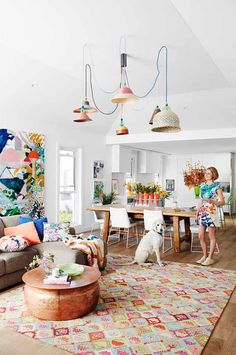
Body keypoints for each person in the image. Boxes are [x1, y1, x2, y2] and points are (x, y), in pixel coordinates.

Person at [196, 167, 225, 266]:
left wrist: (213, 201)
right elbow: (200, 200)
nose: (206, 174)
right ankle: (204, 256)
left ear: (214, 175)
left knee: (211, 236)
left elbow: (222, 202)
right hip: (202, 213)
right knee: (200, 236)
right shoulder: (202, 185)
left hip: (211, 213)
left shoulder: (217, 186)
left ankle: (210, 258)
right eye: (206, 173)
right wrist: (197, 213)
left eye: (209, 173)